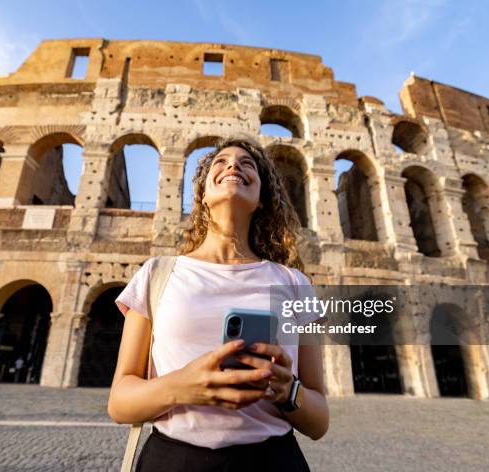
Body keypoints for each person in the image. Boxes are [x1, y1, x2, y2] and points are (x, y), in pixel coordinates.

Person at [109, 137, 329, 471]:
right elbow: (119, 403)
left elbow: (319, 420)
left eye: (247, 164)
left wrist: (289, 390)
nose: (233, 166)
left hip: (273, 461)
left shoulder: (295, 284)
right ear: (201, 195)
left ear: (261, 198)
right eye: (221, 162)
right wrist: (181, 386)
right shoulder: (156, 274)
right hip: (174, 459)